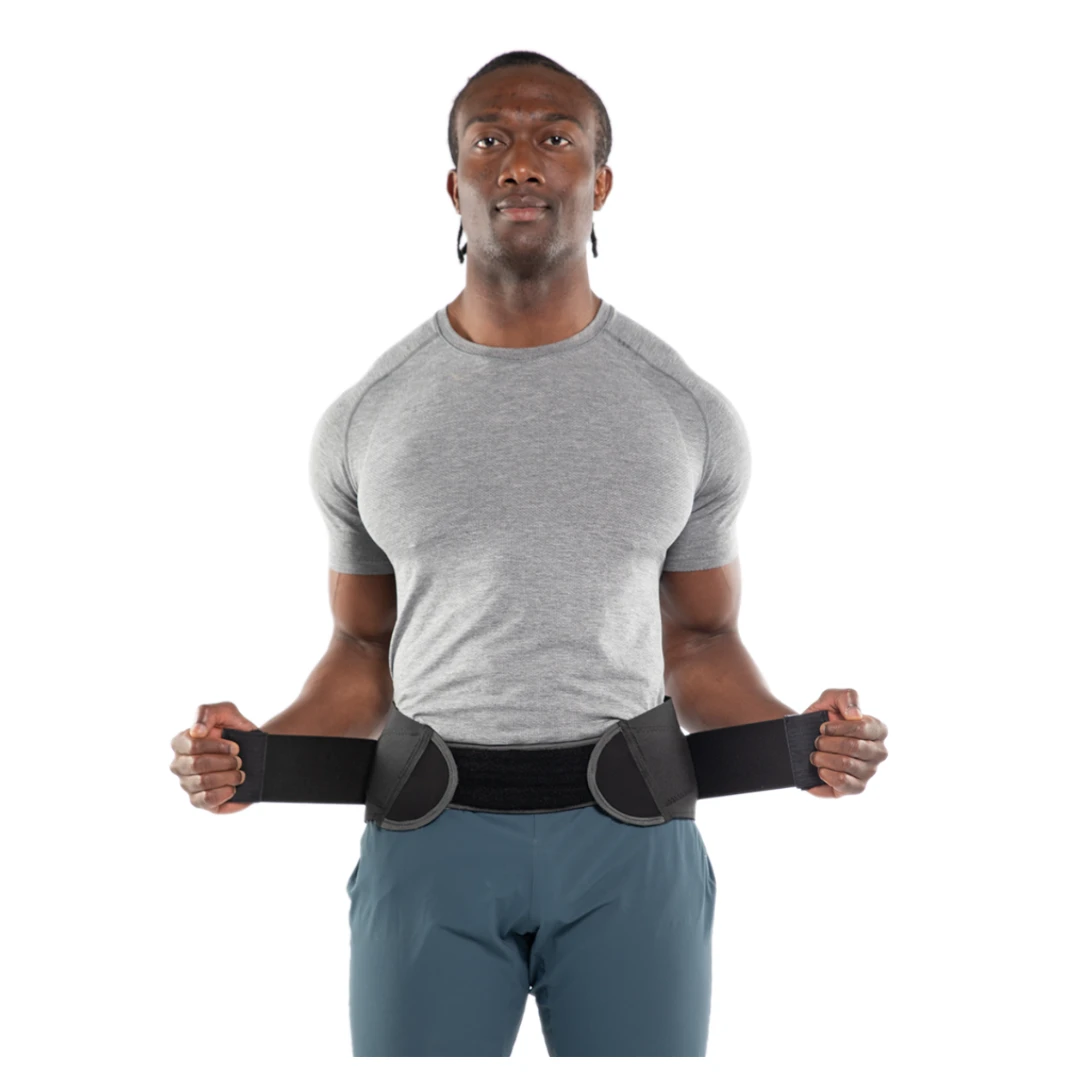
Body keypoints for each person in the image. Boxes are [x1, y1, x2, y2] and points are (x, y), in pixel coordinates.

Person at [169, 50, 889, 1057]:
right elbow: (364, 650)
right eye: (489, 140)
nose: (519, 163)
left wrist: (801, 743)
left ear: (600, 182)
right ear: (453, 185)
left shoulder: (685, 412)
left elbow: (699, 638)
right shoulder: (365, 419)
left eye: (555, 137)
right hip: (428, 844)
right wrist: (255, 759)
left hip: (632, 845)